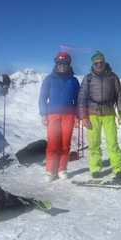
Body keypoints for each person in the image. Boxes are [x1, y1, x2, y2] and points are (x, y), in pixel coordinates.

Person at [78, 51, 121, 179]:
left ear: (105, 63)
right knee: (94, 143)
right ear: (93, 65)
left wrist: (120, 112)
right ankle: (95, 168)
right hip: (92, 113)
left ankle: (118, 168)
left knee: (112, 142)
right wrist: (83, 117)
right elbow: (81, 98)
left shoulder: (112, 77)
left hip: (109, 112)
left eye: (101, 62)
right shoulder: (88, 78)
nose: (99, 65)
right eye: (96, 63)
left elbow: (119, 95)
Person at [38, 52, 80, 183]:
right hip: (53, 115)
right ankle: (50, 170)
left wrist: (78, 116)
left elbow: (78, 100)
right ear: (56, 64)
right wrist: (43, 114)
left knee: (65, 143)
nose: (62, 66)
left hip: (69, 115)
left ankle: (62, 169)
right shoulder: (49, 79)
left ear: (69, 64)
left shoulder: (73, 81)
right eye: (59, 63)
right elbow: (42, 98)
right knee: (53, 144)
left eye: (65, 63)